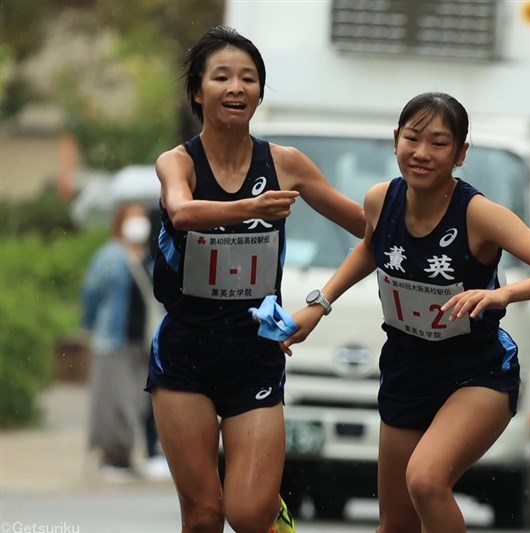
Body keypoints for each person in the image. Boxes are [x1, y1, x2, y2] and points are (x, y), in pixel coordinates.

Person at [280, 92, 530, 533]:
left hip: (475, 372)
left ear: (461, 154)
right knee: (396, 524)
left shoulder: (480, 215)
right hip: (407, 369)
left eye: (439, 143)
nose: (422, 153)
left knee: (425, 480)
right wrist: (320, 304)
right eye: (413, 138)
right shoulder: (380, 200)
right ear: (396, 141)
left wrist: (503, 295)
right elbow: (370, 246)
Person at [147, 26, 365, 533]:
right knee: (203, 515)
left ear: (260, 93)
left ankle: (272, 512)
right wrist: (250, 208)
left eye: (248, 78)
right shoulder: (177, 162)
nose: (236, 87)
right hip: (185, 353)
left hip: (256, 353)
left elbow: (372, 232)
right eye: (221, 77)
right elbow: (180, 213)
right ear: (198, 92)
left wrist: (321, 302)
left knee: (248, 514)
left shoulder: (286, 164)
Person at [82, 202, 158, 481]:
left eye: (141, 218)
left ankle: (124, 455)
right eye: (132, 218)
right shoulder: (111, 255)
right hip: (112, 340)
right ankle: (111, 457)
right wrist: (91, 327)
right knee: (114, 400)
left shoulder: (146, 257)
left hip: (139, 341)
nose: (138, 223)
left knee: (134, 401)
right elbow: (91, 295)